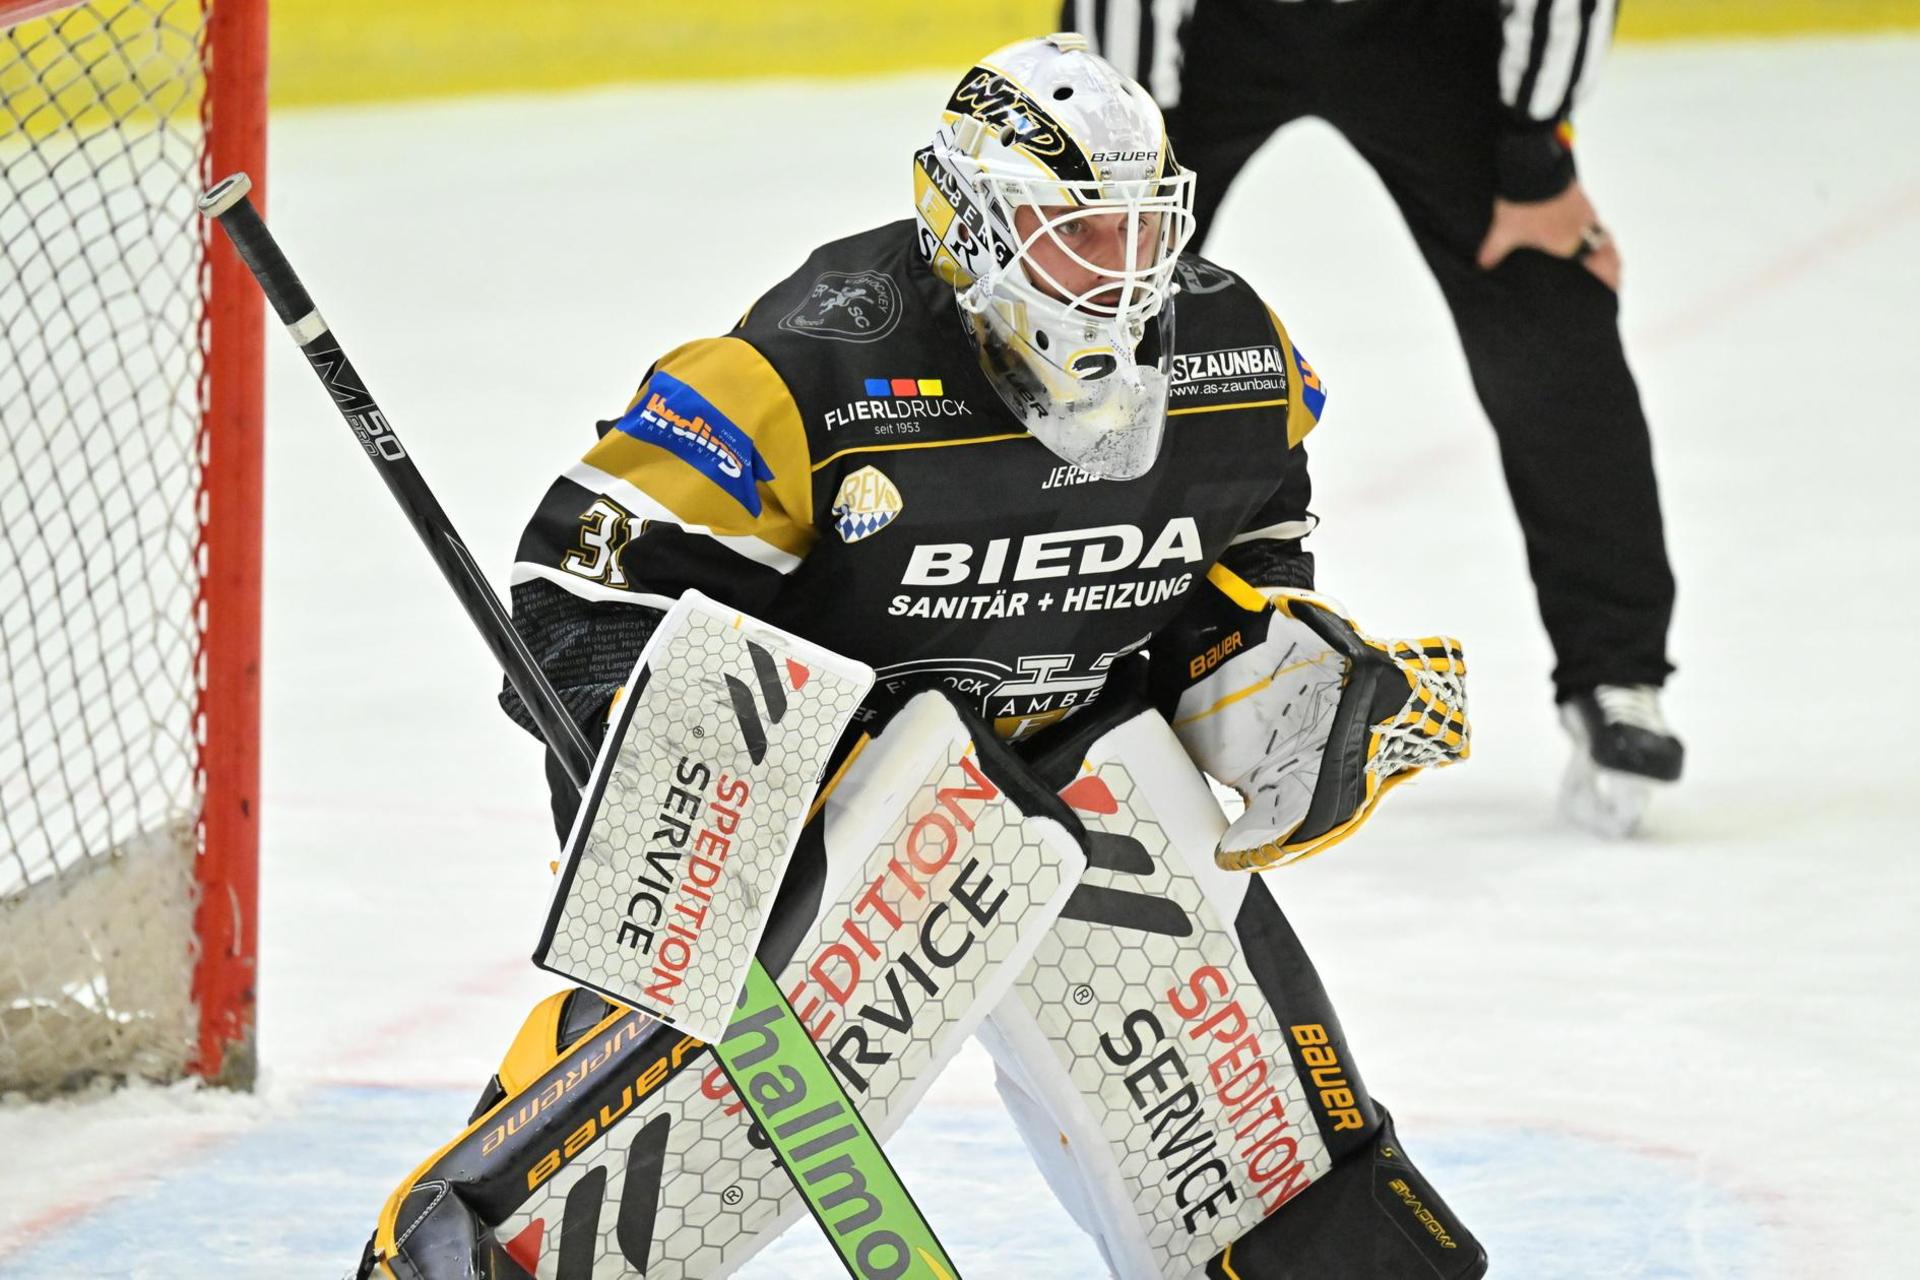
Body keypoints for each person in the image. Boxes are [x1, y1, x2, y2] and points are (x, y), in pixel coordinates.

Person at [356, 35, 1481, 1280]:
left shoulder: (1235, 357)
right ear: (970, 222)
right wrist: (686, 809)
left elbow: (1249, 532)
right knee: (661, 1160)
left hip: (1077, 778)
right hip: (839, 814)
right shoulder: (803, 368)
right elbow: (581, 585)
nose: (1121, 275)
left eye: (1142, 230)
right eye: (1074, 231)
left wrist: (1263, 666)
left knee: (1260, 1157)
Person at [1069, 0, 1684, 835]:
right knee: (1080, 299)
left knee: (1544, 292)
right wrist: (1116, 178)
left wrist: (1534, 160)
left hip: (1424, 30)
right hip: (1205, 27)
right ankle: (1035, 662)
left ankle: (1617, 669)